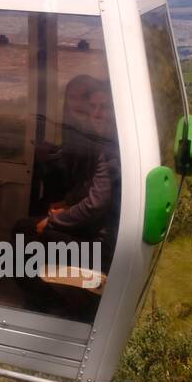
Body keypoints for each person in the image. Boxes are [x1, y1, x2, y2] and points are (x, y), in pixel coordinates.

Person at [34, 81, 120, 270]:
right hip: (96, 231)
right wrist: (66, 203)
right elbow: (88, 186)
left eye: (104, 107)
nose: (96, 114)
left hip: (102, 244)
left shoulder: (111, 151)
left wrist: (54, 221)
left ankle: (51, 295)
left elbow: (95, 204)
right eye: (93, 107)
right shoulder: (101, 143)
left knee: (27, 233)